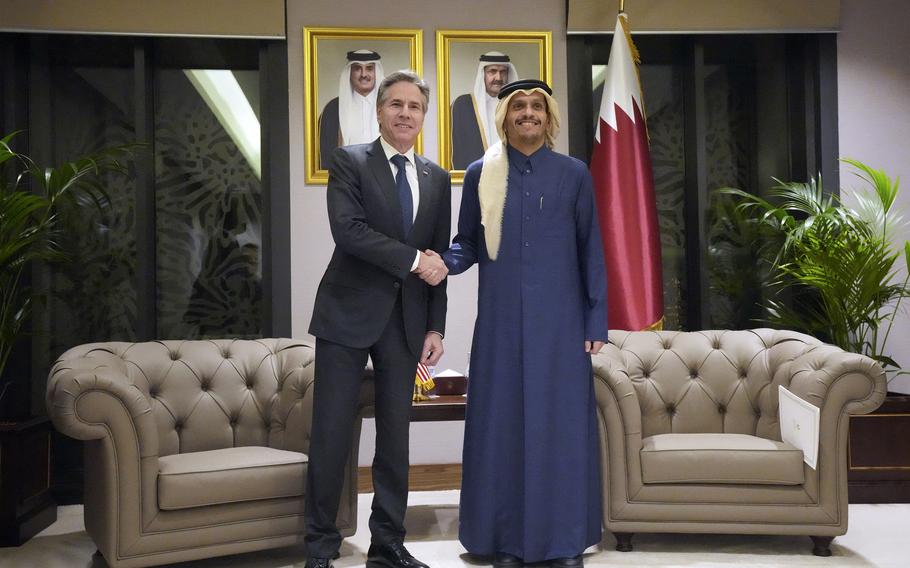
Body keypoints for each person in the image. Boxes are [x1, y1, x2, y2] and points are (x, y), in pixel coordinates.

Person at [443, 79, 607, 568]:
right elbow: (466, 242)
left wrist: (596, 320)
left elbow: (590, 249)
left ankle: (563, 543)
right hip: (500, 328)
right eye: (519, 107)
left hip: (561, 326)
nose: (528, 114)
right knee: (502, 427)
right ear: (505, 118)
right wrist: (440, 262)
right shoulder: (481, 174)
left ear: (549, 117)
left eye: (537, 107)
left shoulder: (574, 174)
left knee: (560, 430)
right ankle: (504, 541)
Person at [306, 70, 451, 568]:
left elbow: (437, 264)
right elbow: (349, 231)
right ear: (380, 110)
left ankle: (387, 543)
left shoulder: (435, 176)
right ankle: (320, 547)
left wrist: (436, 326)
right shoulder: (349, 160)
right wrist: (414, 261)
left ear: (423, 116)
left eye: (414, 106)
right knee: (331, 433)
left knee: (396, 436)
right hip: (346, 316)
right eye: (396, 105)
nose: (405, 113)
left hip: (407, 323)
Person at [318, 49, 385, 169]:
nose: (364, 74)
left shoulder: (388, 107)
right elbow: (326, 157)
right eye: (357, 68)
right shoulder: (333, 109)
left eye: (369, 68)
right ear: (350, 72)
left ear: (376, 72)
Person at [450, 51, 518, 169]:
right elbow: (457, 149)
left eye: (503, 72)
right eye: (492, 71)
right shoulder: (463, 105)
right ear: (483, 74)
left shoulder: (517, 106)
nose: (498, 77)